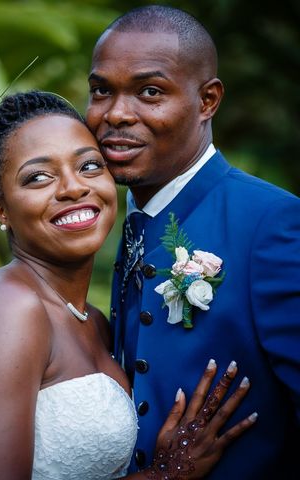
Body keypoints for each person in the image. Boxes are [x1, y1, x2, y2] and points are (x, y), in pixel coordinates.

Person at [0, 90, 255, 479]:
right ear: (1, 209)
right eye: (39, 176)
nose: (73, 188)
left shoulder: (96, 324)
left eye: (89, 166)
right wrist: (165, 475)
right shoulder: (7, 305)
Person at [86, 5, 300, 478]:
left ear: (207, 101)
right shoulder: (135, 217)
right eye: (102, 90)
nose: (116, 114)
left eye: (149, 91)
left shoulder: (273, 224)